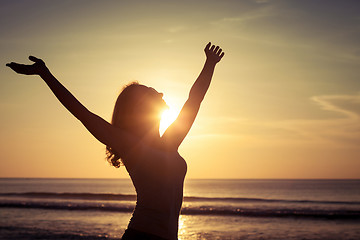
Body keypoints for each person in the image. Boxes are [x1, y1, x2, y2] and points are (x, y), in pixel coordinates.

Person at [6, 42, 224, 240]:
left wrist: (209, 64)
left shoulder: (170, 141)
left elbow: (194, 100)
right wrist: (45, 74)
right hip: (143, 235)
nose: (160, 92)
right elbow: (82, 113)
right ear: (141, 106)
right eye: (152, 91)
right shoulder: (130, 144)